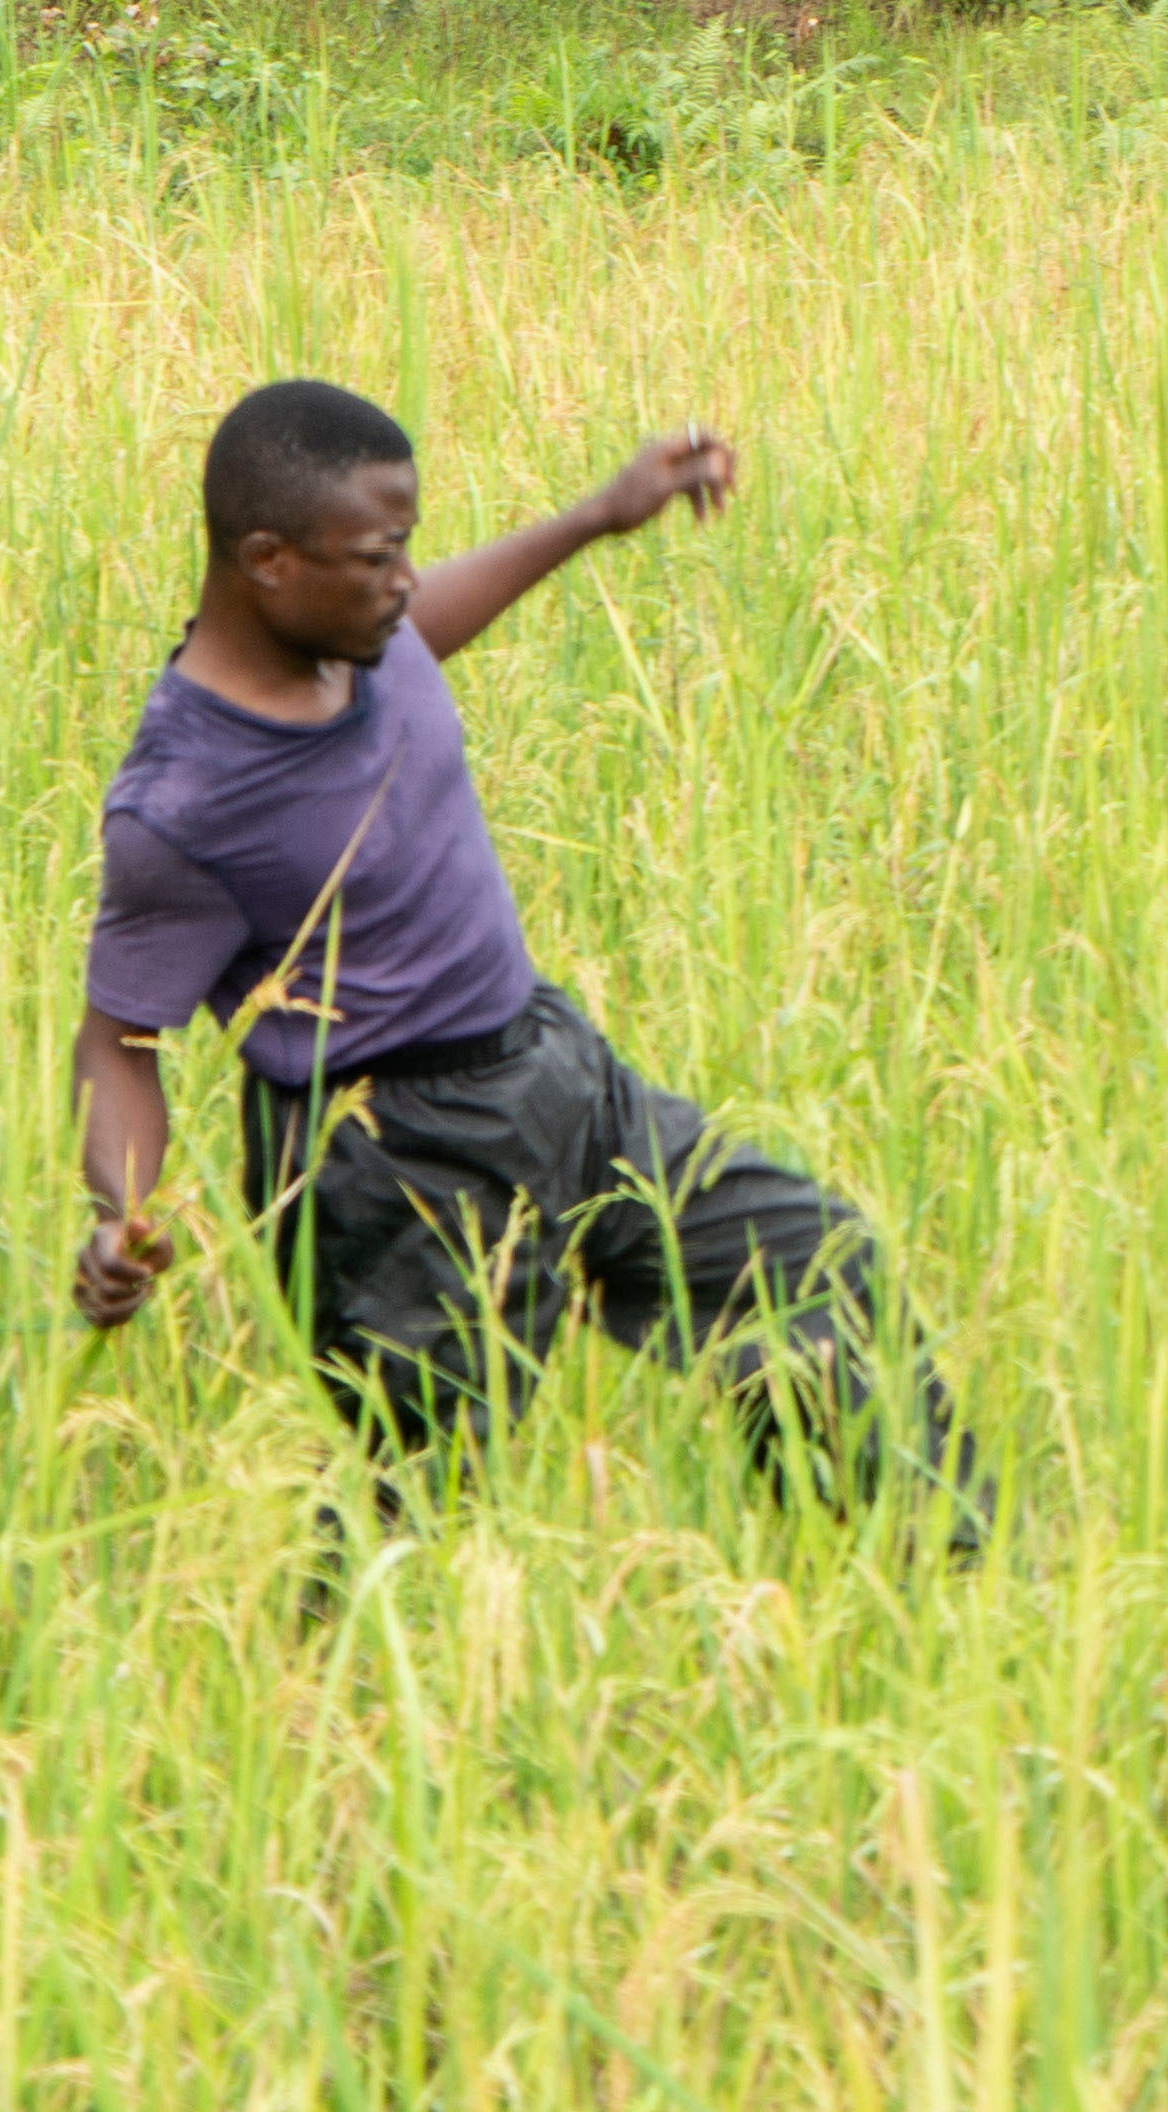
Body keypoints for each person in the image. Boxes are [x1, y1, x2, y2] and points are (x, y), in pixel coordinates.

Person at [65, 372, 954, 1527]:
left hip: (551, 1070)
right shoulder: (184, 803)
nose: (405, 583)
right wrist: (120, 1208)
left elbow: (424, 630)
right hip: (393, 1164)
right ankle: (330, 1695)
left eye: (408, 550)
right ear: (269, 560)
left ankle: (910, 1577)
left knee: (815, 1274)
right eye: (379, 557)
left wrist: (596, 514)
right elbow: (119, 1040)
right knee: (424, 1499)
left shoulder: (359, 640)